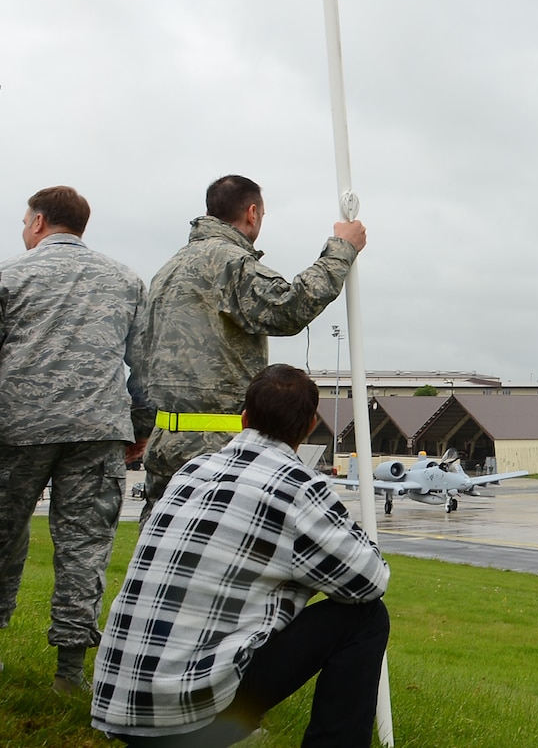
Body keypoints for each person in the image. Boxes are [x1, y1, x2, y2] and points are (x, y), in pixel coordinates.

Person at [93, 365, 388, 747]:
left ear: (244, 418)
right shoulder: (298, 488)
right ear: (311, 424)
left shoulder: (192, 471)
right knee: (366, 617)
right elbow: (370, 581)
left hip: (117, 702)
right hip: (184, 716)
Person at [135, 177, 364, 521]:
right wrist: (342, 249)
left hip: (166, 439)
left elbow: (143, 357)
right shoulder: (228, 263)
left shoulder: (169, 269)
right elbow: (289, 308)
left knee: (163, 547)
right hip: (214, 447)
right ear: (252, 213)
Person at [0, 186, 150, 694]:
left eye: (25, 222)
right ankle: (70, 673)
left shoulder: (9, 276)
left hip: (17, 428)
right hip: (98, 429)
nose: (24, 231)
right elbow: (143, 365)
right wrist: (141, 425)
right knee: (85, 547)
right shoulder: (126, 280)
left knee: (2, 538)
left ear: (40, 222)